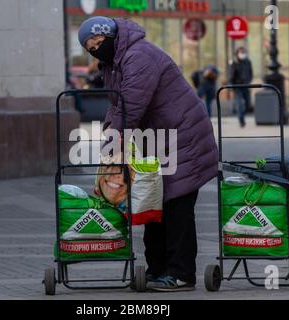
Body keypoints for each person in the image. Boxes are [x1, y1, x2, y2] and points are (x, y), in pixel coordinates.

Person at [78, 16, 218, 291]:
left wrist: (114, 139)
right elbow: (116, 103)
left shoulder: (138, 56)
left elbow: (132, 102)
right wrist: (109, 134)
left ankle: (181, 274)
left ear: (110, 36)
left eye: (97, 42)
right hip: (158, 139)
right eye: (89, 47)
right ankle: (156, 270)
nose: (95, 49)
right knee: (153, 203)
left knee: (176, 204)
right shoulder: (113, 64)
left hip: (183, 135)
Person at [229, 47, 253, 127]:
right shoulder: (234, 63)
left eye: (243, 52)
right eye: (241, 52)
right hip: (237, 86)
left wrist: (249, 81)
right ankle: (241, 120)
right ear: (237, 53)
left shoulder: (248, 62)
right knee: (239, 104)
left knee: (247, 104)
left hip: (246, 85)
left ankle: (242, 116)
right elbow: (231, 75)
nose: (242, 54)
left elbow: (250, 73)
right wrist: (232, 85)